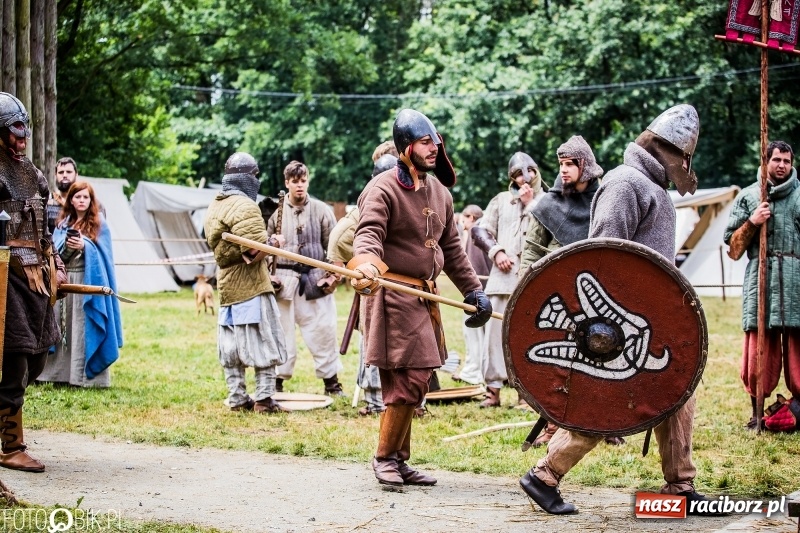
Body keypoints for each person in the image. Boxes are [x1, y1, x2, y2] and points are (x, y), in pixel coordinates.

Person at [520, 104, 718, 515]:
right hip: (620, 327)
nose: (685, 164)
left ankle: (679, 486)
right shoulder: (626, 183)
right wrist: (609, 331)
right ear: (667, 150)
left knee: (678, 392)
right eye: (683, 156)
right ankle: (545, 475)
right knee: (608, 407)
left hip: (650, 321)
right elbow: (606, 257)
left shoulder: (652, 188)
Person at [351, 108, 492, 489]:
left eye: (436, 141)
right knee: (409, 379)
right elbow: (367, 235)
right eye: (425, 142)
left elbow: (452, 251)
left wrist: (474, 291)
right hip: (393, 294)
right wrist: (364, 264)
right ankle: (384, 458)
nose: (434, 148)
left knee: (415, 380)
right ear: (405, 147)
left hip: (424, 298)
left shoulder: (440, 193)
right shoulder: (382, 189)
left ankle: (398, 460)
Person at [516, 136, 624, 447]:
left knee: (602, 359)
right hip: (557, 295)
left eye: (570, 164)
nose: (563, 170)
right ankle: (553, 426)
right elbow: (533, 250)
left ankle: (602, 423)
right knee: (559, 362)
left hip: (596, 293)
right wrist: (526, 287)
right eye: (561, 164)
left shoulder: (604, 200)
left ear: (585, 166)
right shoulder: (549, 204)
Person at [0, 92, 67, 472]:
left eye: (23, 130)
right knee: (14, 358)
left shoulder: (34, 174)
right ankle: (11, 446)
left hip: (36, 277)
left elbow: (45, 230)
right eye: (14, 131)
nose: (21, 137)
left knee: (38, 357)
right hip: (4, 276)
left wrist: (55, 261)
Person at [204, 152, 289, 413]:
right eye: (255, 176)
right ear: (247, 178)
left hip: (227, 288)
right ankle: (264, 399)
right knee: (263, 341)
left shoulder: (216, 204)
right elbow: (252, 253)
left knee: (231, 348)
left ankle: (238, 398)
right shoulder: (244, 206)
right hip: (251, 286)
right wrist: (274, 243)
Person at [724, 140, 800, 428]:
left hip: (796, 281)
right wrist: (753, 222)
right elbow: (733, 250)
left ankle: (798, 408)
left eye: (787, 161)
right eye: (776, 160)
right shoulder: (748, 197)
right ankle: (757, 412)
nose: (782, 165)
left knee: (797, 350)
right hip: (761, 280)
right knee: (759, 351)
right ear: (765, 161)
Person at [328, 145, 398, 416]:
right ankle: (374, 398)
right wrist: (353, 267)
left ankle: (406, 401)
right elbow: (340, 237)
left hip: (403, 287)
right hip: (376, 285)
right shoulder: (370, 203)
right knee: (373, 341)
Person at [471, 152, 545, 407]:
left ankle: (525, 394)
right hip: (502, 279)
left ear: (535, 172)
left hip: (532, 281)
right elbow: (480, 229)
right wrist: (497, 251)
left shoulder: (547, 200)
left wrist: (531, 203)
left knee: (527, 337)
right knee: (494, 336)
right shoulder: (501, 200)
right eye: (516, 175)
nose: (524, 178)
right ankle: (492, 391)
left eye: (528, 172)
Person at [268, 161, 344, 396]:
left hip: (315, 279)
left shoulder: (322, 210)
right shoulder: (275, 213)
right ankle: (276, 382)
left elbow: (334, 247)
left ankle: (331, 383)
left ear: (307, 181)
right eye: (294, 181)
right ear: (287, 183)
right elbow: (265, 249)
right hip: (284, 280)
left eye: (303, 180)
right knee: (282, 334)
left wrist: (333, 277)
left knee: (323, 332)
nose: (299, 186)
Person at [38, 182, 123, 387]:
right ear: (71, 200)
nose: (82, 201)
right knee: (62, 326)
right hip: (66, 284)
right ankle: (58, 375)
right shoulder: (63, 224)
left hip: (88, 283)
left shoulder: (100, 223)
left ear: (91, 200)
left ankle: (84, 377)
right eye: (78, 197)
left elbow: (104, 259)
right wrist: (67, 247)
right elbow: (57, 256)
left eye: (86, 197)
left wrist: (86, 246)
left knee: (83, 328)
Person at [452, 204, 491, 385]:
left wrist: (474, 292)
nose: (463, 224)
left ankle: (474, 372)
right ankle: (478, 371)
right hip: (483, 291)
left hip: (479, 292)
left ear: (471, 217)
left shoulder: (477, 231)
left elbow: (476, 265)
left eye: (464, 220)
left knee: (474, 334)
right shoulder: (480, 231)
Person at [45, 158, 103, 234]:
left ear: (76, 174)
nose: (64, 175)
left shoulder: (93, 204)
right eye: (61, 172)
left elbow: (100, 234)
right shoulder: (46, 202)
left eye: (69, 172)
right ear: (56, 175)